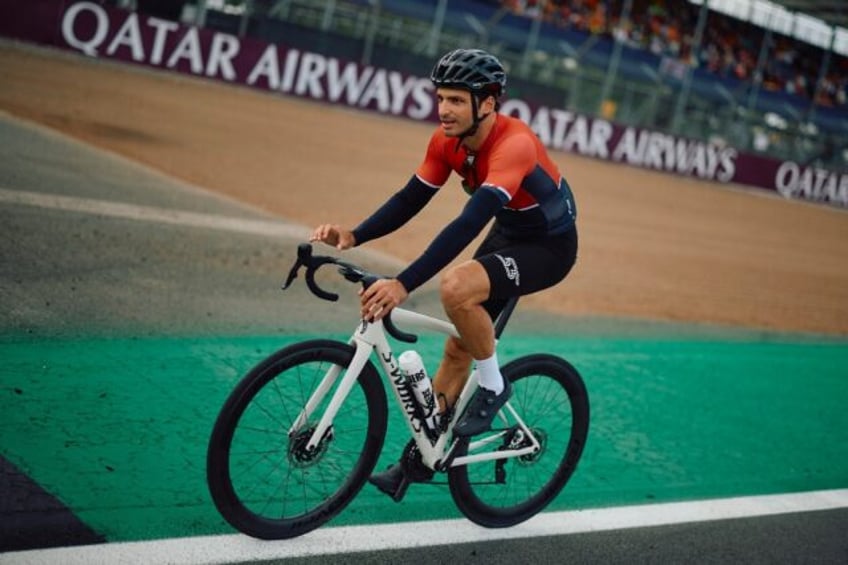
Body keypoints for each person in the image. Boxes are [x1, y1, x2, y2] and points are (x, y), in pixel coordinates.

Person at [310, 48, 578, 501]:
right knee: (458, 345)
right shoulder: (445, 141)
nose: (443, 109)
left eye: (456, 100)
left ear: (488, 103)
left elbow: (467, 225)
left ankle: (494, 386)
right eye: (441, 98)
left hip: (548, 247)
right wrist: (354, 235)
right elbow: (410, 198)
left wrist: (403, 283)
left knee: (457, 286)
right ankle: (421, 457)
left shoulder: (516, 144)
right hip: (510, 231)